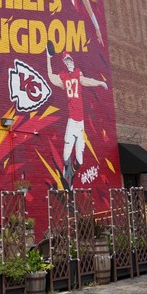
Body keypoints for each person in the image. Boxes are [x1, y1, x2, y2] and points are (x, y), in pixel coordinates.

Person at [46, 47, 107, 190]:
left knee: (79, 159)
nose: (68, 62)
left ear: (72, 61)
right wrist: (48, 57)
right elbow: (50, 76)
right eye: (65, 61)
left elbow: (86, 80)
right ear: (64, 63)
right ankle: (66, 174)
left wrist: (99, 83)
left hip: (81, 124)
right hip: (72, 121)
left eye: (69, 59)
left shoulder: (78, 74)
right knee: (66, 154)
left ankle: (70, 174)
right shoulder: (63, 77)